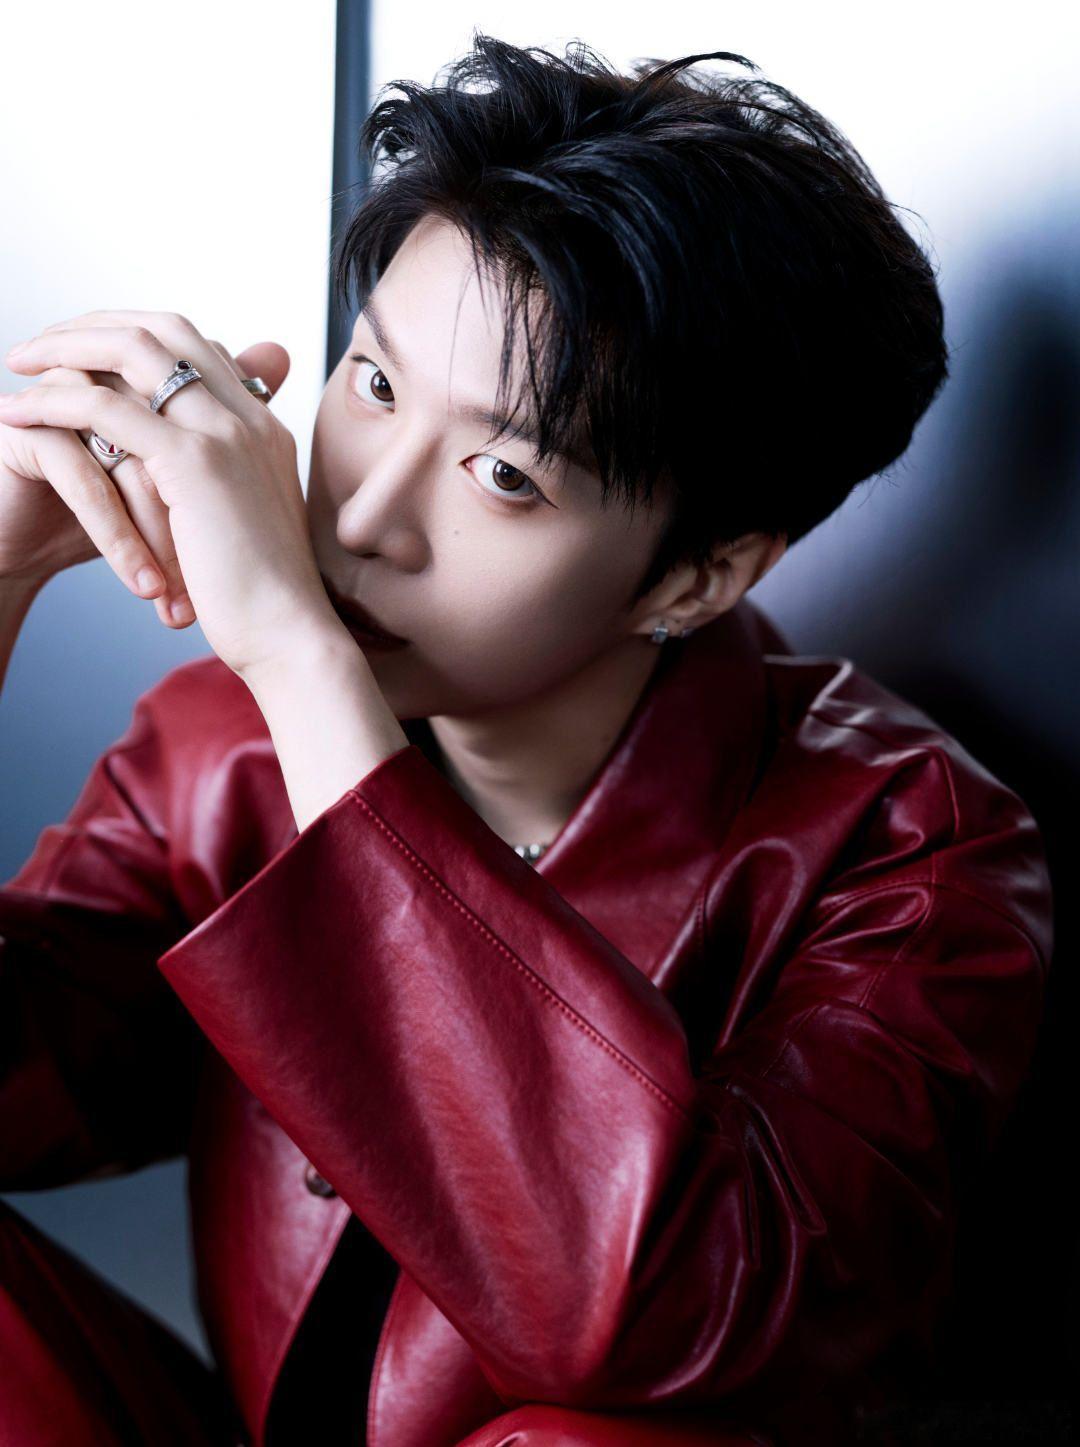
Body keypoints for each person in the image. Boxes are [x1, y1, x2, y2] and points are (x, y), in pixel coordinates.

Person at [0, 30, 1053, 1447]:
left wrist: (305, 669)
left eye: (503, 473)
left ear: (700, 576)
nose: (362, 518)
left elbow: (668, 1325)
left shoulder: (910, 857)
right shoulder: (220, 751)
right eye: (374, 386)